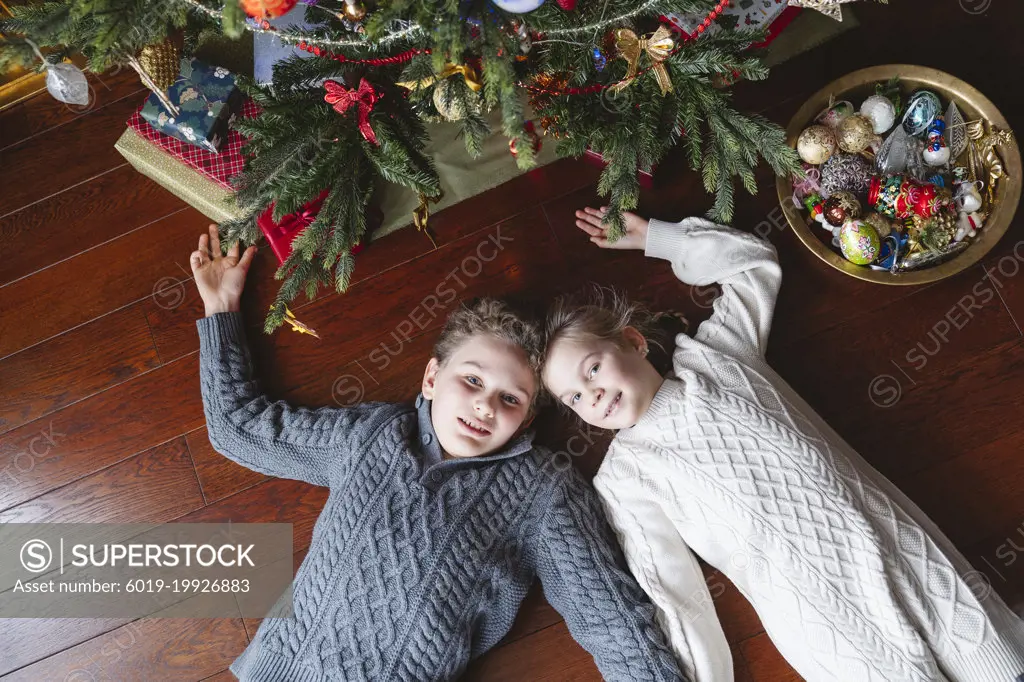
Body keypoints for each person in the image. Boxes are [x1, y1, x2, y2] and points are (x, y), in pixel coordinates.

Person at [540, 207, 1024, 682]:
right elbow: (673, 591)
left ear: (633, 341)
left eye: (594, 368)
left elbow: (754, 263)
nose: (593, 394)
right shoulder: (625, 478)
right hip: (822, 619)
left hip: (897, 549)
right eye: (575, 397)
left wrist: (658, 238)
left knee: (995, 659)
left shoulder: (717, 355)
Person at [188, 224, 687, 682]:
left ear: (528, 418)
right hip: (281, 669)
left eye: (510, 399)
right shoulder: (372, 435)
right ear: (432, 378)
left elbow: (609, 619)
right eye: (472, 379)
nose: (484, 405)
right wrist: (220, 310)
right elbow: (242, 429)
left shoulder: (543, 490)